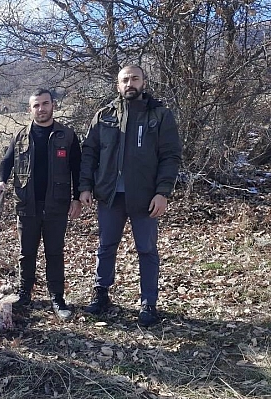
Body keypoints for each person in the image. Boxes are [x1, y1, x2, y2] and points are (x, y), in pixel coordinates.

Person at [79, 65, 182, 327]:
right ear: (117, 85)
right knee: (106, 246)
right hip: (110, 195)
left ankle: (149, 302)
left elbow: (170, 156)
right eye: (125, 79)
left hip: (145, 196)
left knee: (146, 250)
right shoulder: (104, 115)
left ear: (144, 82)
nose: (129, 83)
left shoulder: (159, 115)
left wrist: (163, 192)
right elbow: (89, 153)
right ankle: (101, 293)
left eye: (135, 78)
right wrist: (85, 186)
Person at [0, 89, 82, 321]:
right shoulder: (20, 136)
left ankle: (57, 297)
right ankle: (25, 294)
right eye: (36, 105)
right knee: (27, 253)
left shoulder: (67, 135)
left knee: (54, 253)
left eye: (45, 104)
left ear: (53, 105)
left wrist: (77, 197)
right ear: (30, 109)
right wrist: (2, 181)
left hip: (57, 204)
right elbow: (6, 162)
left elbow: (78, 168)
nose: (41, 109)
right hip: (27, 204)